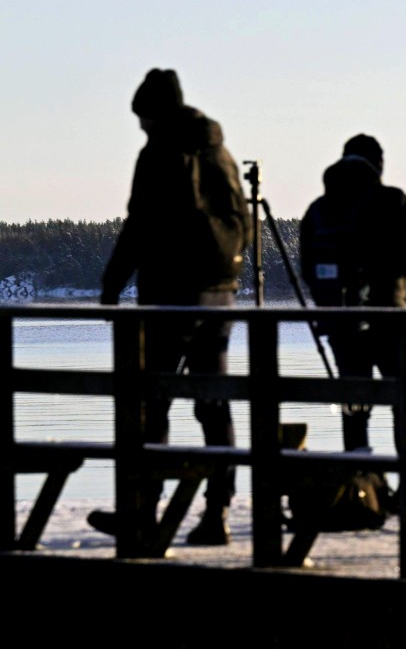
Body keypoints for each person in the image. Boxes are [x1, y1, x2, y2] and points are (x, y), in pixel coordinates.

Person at [91, 68, 252, 546]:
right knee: (214, 402)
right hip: (218, 292)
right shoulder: (218, 149)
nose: (141, 127)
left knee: (150, 399)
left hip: (168, 294)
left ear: (153, 113)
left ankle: (142, 506)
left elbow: (139, 222)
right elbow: (241, 217)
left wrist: (111, 284)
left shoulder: (158, 150)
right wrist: (228, 275)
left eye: (142, 118)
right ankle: (218, 512)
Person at [299, 134, 406, 452]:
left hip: (340, 323)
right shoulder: (393, 200)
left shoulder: (318, 210)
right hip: (391, 321)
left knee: (355, 408)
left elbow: (307, 270)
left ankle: (360, 484)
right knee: (405, 402)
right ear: (379, 164)